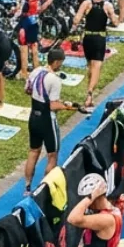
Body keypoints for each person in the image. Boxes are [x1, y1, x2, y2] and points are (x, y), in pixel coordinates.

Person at [24, 48, 74, 195]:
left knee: (33, 151)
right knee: (52, 155)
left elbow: (27, 90)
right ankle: (44, 190)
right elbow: (53, 105)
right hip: (47, 120)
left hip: (34, 116)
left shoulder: (36, 71)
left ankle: (27, 187)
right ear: (57, 62)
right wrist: (67, 106)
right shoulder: (55, 80)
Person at [71, 0, 118, 112]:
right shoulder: (107, 5)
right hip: (99, 38)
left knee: (90, 66)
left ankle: (89, 93)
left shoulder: (86, 3)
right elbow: (115, 22)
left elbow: (76, 19)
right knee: (96, 67)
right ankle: (90, 93)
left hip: (88, 37)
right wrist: (114, 17)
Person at [12, 0, 52, 80]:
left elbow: (18, 7)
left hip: (24, 21)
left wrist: (13, 12)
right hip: (34, 19)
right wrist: (42, 8)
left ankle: (24, 72)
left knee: (24, 47)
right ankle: (36, 70)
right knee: (34, 46)